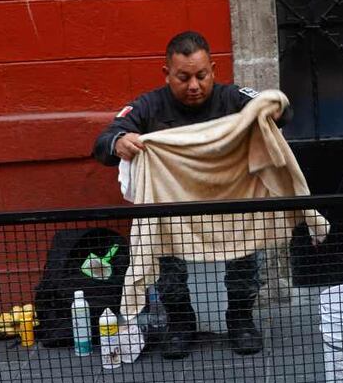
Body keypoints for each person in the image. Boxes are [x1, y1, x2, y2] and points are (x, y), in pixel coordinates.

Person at [93, 31, 291, 360]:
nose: (194, 85)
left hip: (230, 203)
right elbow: (103, 142)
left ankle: (240, 320)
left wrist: (272, 109)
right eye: (183, 77)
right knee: (164, 259)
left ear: (214, 69)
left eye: (202, 75)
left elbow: (284, 112)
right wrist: (119, 142)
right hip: (175, 209)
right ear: (166, 74)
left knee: (245, 254)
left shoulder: (233, 98)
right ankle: (180, 324)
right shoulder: (149, 105)